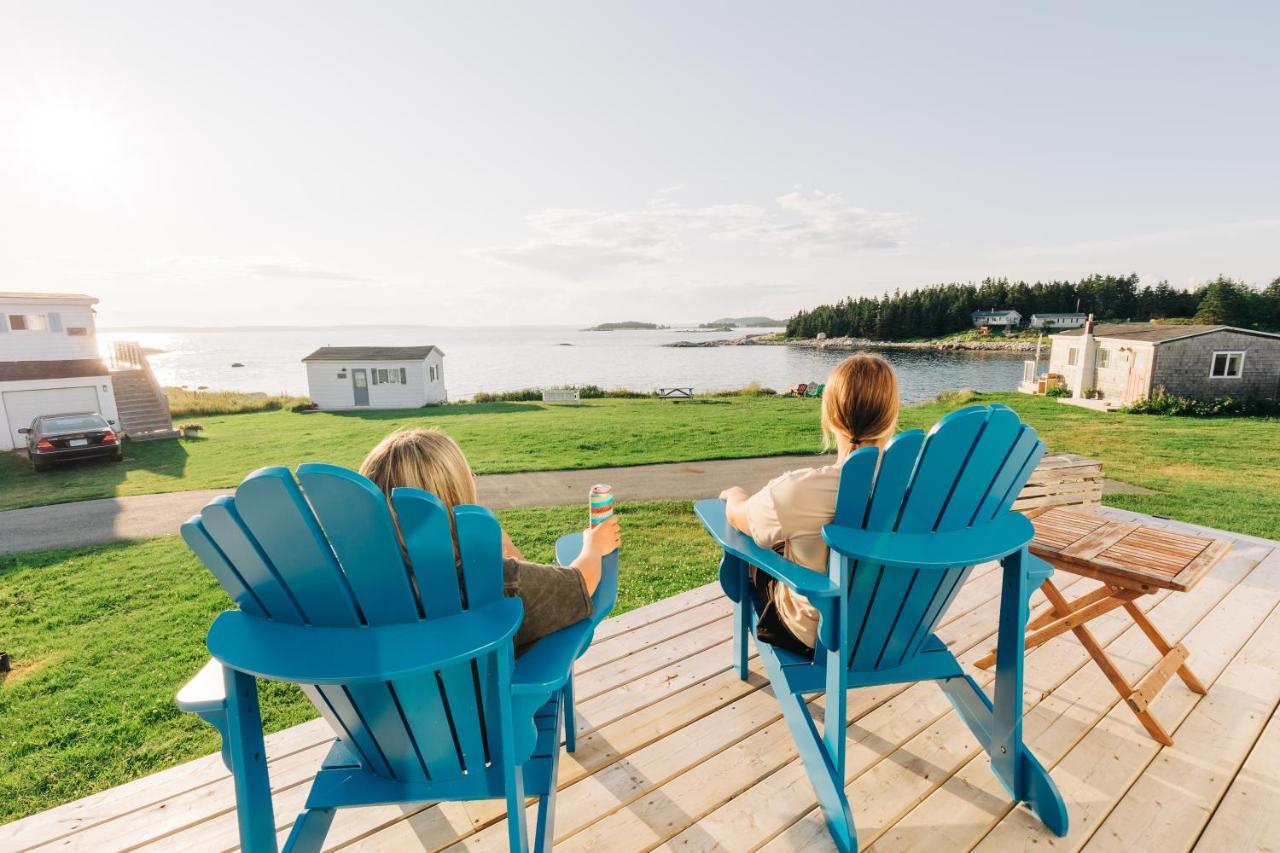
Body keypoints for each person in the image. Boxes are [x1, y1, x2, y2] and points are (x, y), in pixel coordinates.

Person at [359, 428, 621, 652]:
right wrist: (593, 544)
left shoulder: (354, 585)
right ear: (456, 497)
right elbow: (580, 583)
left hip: (391, 709)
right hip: (488, 707)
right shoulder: (497, 580)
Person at [718, 353, 900, 655]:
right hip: (893, 628)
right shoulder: (919, 484)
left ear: (829, 416)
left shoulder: (798, 491)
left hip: (815, 635)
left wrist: (735, 493)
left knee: (751, 549)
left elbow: (739, 517)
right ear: (892, 416)